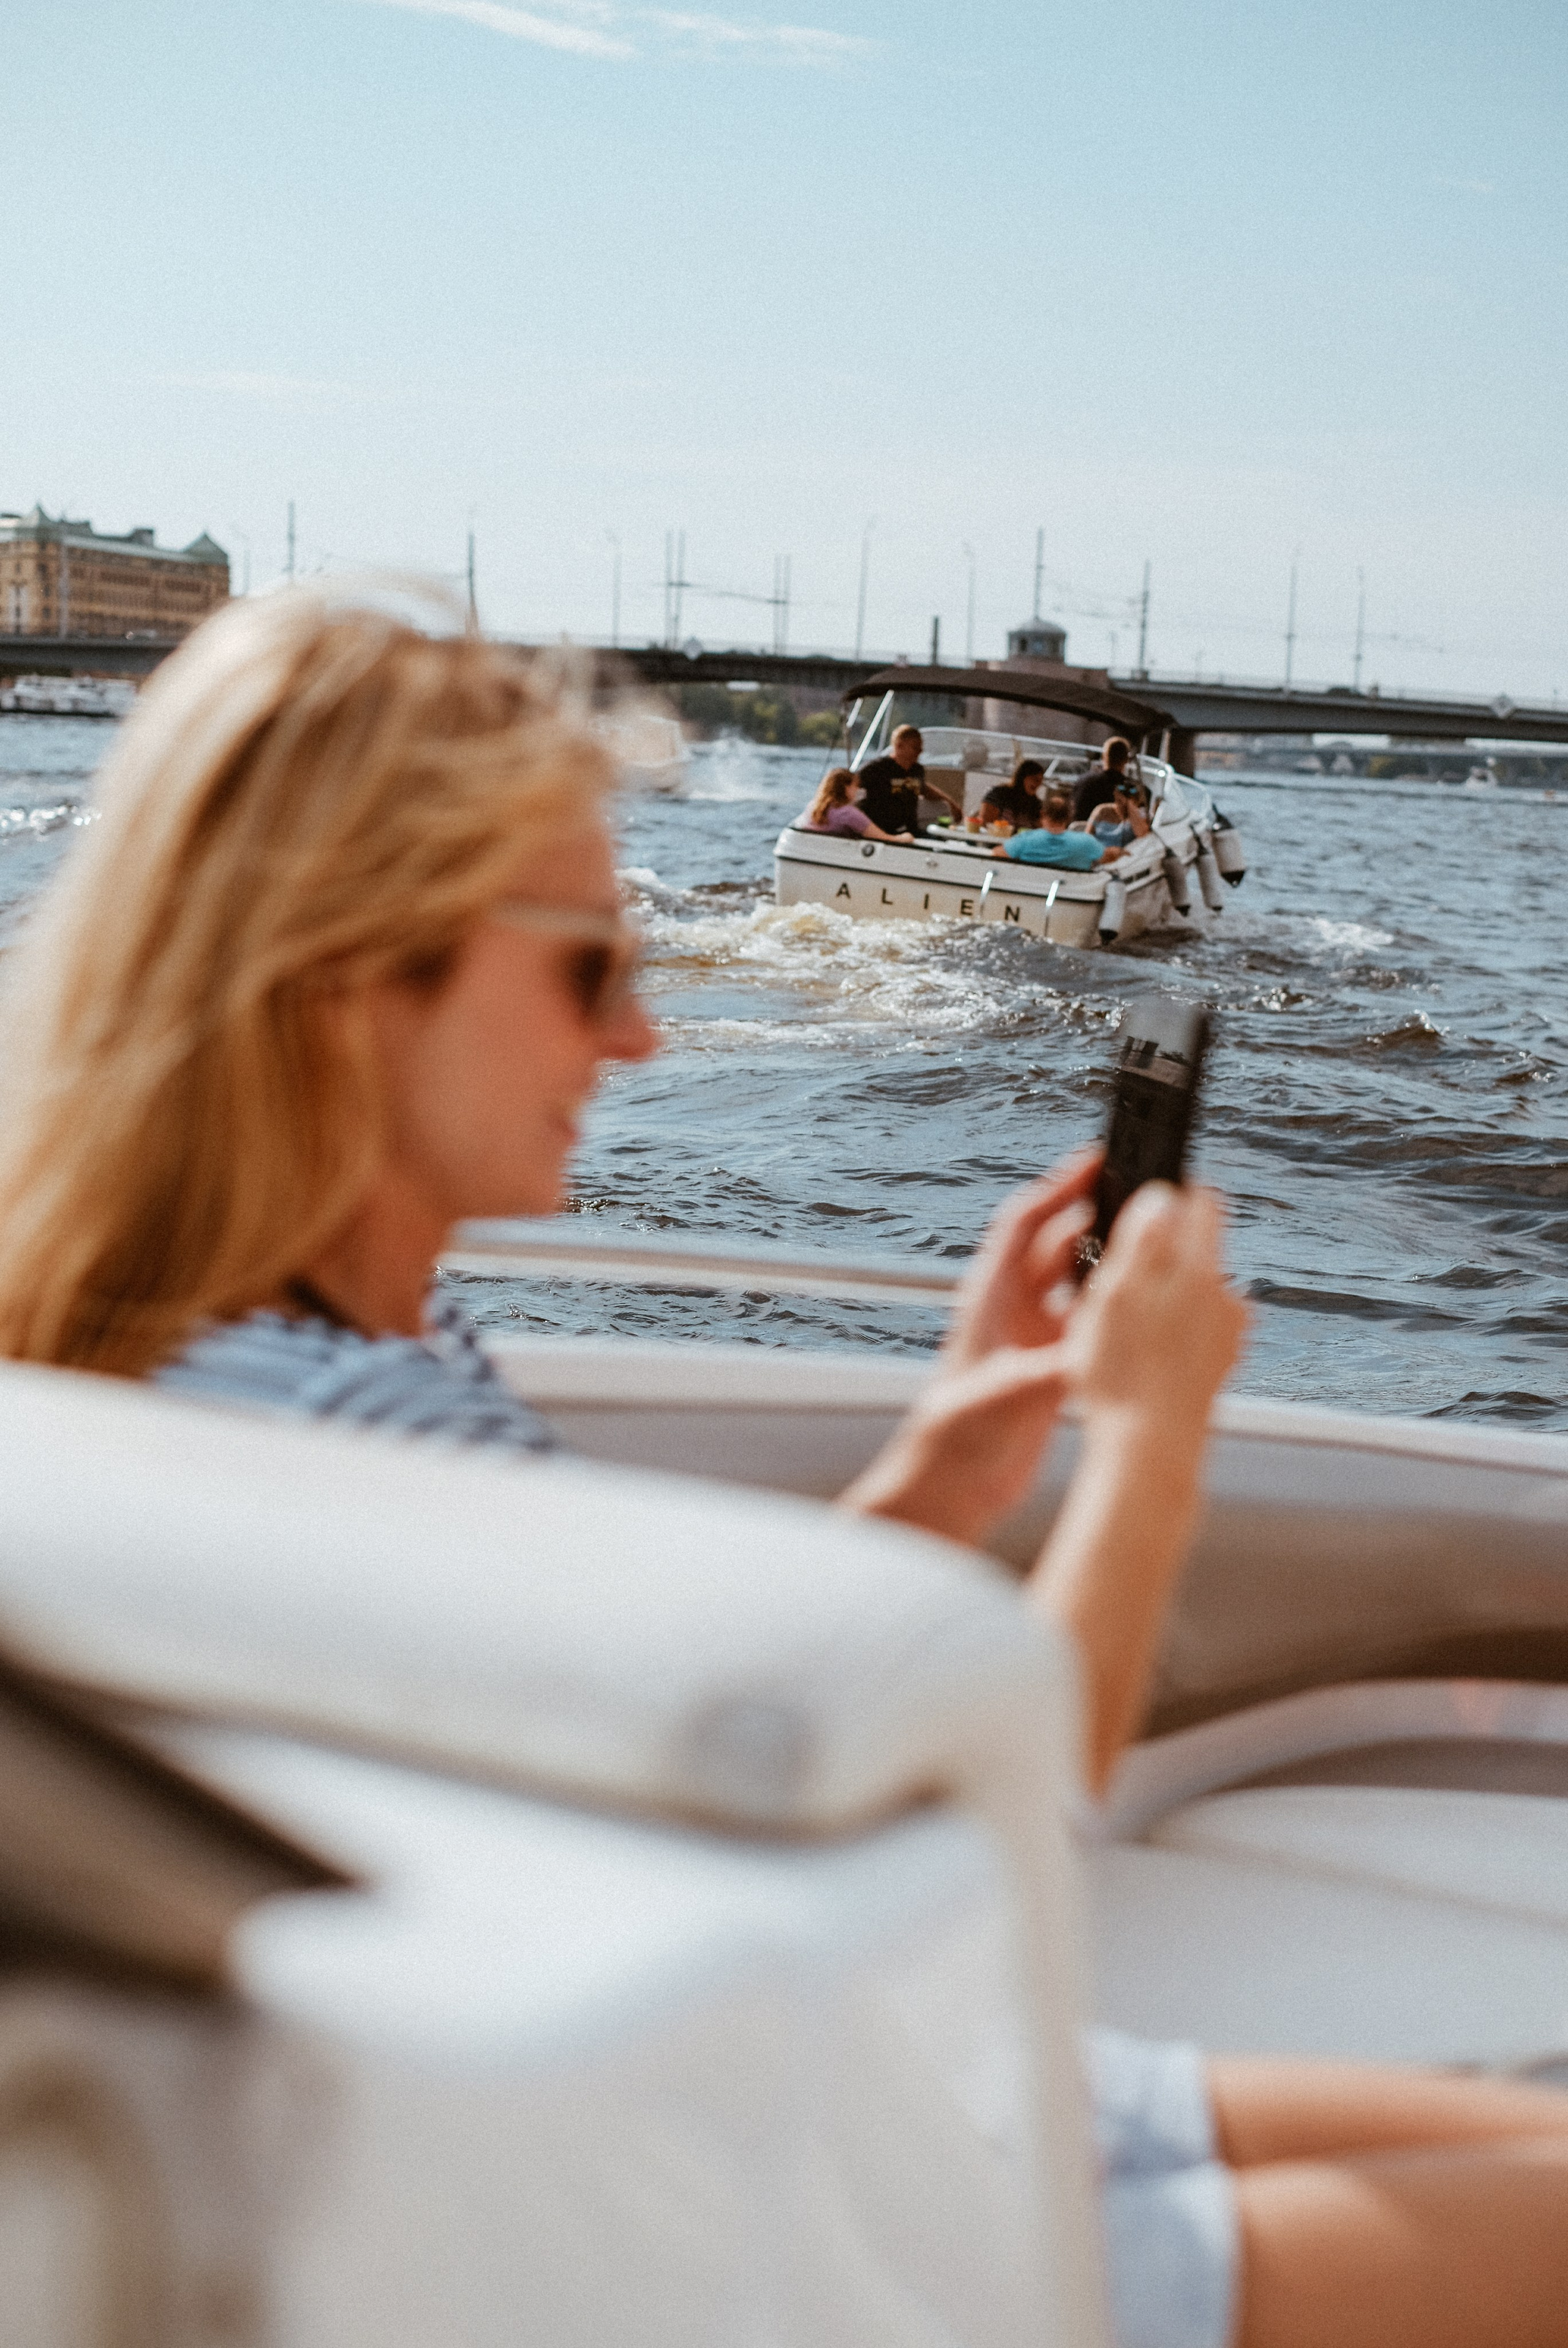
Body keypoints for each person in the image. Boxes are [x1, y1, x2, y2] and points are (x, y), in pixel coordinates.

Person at [1, 591, 1566, 2348]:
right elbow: (982, 1883)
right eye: (588, 968)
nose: (641, 1039)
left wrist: (949, 1463)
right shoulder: (377, 1463)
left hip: (757, 2111)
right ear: (358, 980)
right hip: (805, 2228)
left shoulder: (271, 1359)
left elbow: (672, 1796)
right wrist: (1144, 1441)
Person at [854, 723, 960, 834]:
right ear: (899, 746)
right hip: (881, 831)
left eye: (920, 748)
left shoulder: (917, 771)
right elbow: (851, 783)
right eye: (915, 747)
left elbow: (924, 789)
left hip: (910, 830)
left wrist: (952, 805)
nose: (920, 752)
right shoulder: (877, 768)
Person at [992, 785, 1125, 869]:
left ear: (1043, 814)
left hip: (1032, 891)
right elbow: (1108, 856)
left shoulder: (1025, 840)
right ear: (1068, 817)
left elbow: (997, 854)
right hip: (1069, 896)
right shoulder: (1086, 842)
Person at [796, 766, 910, 841]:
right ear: (846, 787)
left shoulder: (813, 807)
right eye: (855, 786)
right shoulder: (848, 814)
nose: (857, 790)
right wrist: (905, 837)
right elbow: (883, 838)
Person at [1074, 734, 1137, 824]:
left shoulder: (1083, 782)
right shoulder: (1131, 789)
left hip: (1081, 834)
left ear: (1104, 757)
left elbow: (1075, 815)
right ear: (1126, 760)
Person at [979, 757, 1046, 831]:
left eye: (1040, 780)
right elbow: (985, 824)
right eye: (1035, 779)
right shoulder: (998, 795)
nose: (1038, 783)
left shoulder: (1036, 805)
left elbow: (1040, 830)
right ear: (1022, 777)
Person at [1086, 779, 1153, 850]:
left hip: (1122, 858)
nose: (1119, 805)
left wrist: (1129, 806)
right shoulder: (1103, 810)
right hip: (1098, 854)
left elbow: (1142, 835)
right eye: (1118, 800)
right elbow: (1087, 836)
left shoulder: (1141, 816)